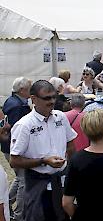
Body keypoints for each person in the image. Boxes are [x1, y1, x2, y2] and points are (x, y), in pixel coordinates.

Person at [10, 80, 77, 221]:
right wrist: (43, 161)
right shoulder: (24, 125)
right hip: (38, 186)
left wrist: (72, 168)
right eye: (47, 98)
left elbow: (71, 144)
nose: (52, 101)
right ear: (33, 99)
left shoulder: (61, 117)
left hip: (63, 183)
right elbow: (14, 161)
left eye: (54, 97)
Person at [2, 77, 32, 221]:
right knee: (23, 180)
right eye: (29, 88)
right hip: (14, 148)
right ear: (22, 90)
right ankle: (19, 214)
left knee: (19, 178)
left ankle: (8, 201)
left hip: (9, 147)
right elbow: (14, 130)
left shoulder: (11, 100)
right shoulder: (18, 107)